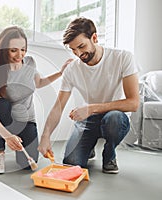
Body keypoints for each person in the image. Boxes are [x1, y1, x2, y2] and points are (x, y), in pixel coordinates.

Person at [38, 17, 139, 174]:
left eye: (81, 46)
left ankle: (110, 153)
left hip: (115, 116)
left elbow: (133, 103)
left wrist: (92, 108)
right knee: (71, 163)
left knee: (114, 120)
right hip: (89, 119)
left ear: (94, 38)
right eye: (73, 50)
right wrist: (45, 136)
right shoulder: (72, 69)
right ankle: (88, 145)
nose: (78, 54)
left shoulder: (122, 58)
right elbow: (58, 107)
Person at [0, 26, 73, 174]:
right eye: (14, 50)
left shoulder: (30, 62)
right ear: (4, 49)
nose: (20, 54)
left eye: (23, 49)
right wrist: (8, 136)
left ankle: (22, 151)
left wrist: (60, 73)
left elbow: (39, 83)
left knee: (26, 165)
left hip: (27, 121)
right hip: (7, 121)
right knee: (1, 105)